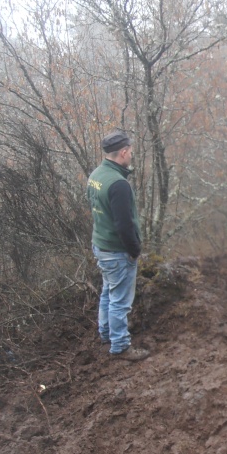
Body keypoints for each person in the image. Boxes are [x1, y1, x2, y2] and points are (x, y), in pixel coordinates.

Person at [87, 129, 150, 361]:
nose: (132, 155)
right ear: (123, 152)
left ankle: (106, 334)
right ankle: (120, 346)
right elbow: (124, 225)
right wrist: (134, 251)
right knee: (120, 302)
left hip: (101, 245)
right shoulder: (118, 184)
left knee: (108, 292)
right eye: (131, 152)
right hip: (117, 251)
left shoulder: (96, 175)